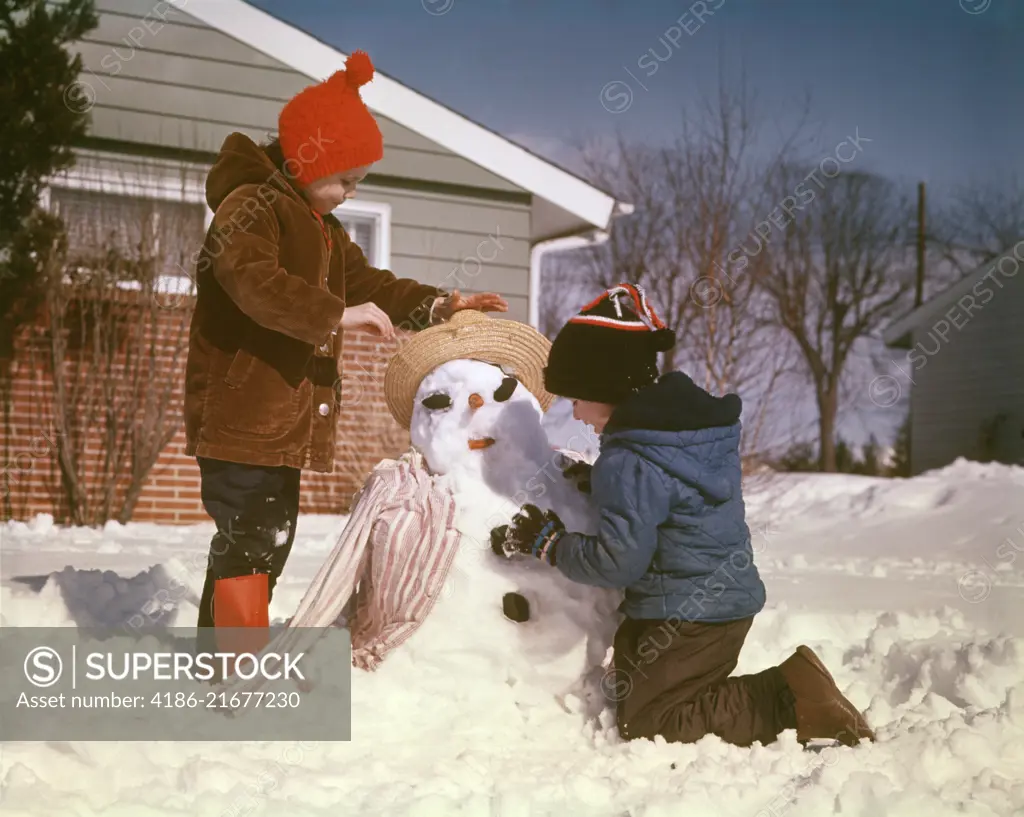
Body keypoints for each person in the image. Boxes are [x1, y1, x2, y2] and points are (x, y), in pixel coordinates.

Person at [184, 50, 507, 648]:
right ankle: (226, 665)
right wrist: (335, 313)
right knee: (252, 536)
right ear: (309, 160)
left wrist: (439, 305)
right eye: (346, 180)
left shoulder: (324, 231)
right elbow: (251, 280)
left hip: (278, 423)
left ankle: (233, 652)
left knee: (268, 537)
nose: (350, 194)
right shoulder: (251, 207)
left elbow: (373, 286)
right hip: (240, 413)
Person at [490, 283, 875, 748]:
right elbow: (665, 496)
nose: (574, 413)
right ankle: (779, 690)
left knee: (654, 725)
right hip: (708, 602)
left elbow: (618, 562)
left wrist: (550, 544)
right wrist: (602, 488)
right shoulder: (678, 436)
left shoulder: (628, 458)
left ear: (604, 387)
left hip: (691, 613)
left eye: (576, 397)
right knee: (631, 687)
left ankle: (788, 697)